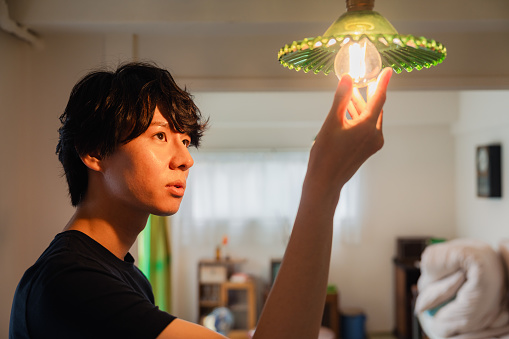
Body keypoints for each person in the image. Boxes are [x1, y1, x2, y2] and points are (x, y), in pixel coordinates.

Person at [9, 61, 392, 339]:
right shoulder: (71, 283)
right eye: (160, 136)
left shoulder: (124, 274)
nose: (185, 158)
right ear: (93, 151)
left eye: (185, 141)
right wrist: (322, 183)